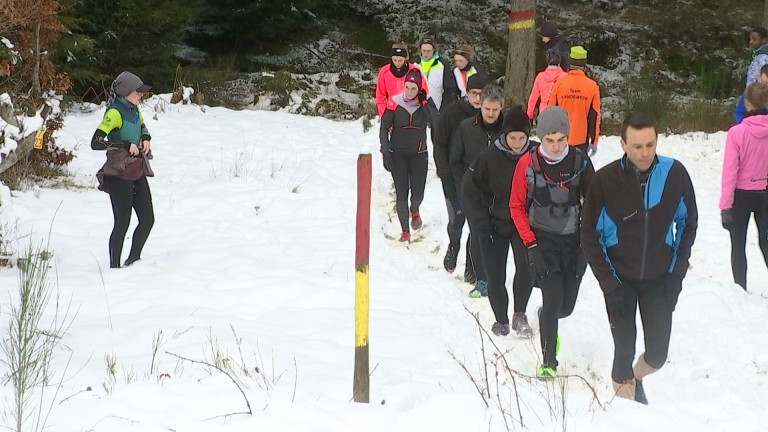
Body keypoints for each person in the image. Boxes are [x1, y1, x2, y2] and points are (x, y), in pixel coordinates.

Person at [581, 112, 698, 404]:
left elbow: (688, 223)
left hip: (660, 280)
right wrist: (610, 284)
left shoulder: (675, 174)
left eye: (650, 144)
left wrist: (676, 274)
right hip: (619, 281)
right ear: (623, 144)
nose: (645, 153)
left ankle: (638, 377)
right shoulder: (604, 181)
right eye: (637, 146)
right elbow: (589, 237)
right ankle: (626, 414)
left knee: (658, 354)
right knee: (624, 349)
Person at [509, 106, 594, 377]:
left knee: (564, 308)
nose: (555, 147)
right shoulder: (527, 163)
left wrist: (586, 247)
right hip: (542, 241)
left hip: (573, 240)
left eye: (561, 140)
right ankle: (548, 361)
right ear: (540, 137)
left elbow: (594, 206)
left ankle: (548, 316)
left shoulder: (581, 162)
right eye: (549, 140)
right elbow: (516, 205)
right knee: (553, 293)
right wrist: (530, 246)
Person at [462, 106, 536, 336]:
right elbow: (470, 191)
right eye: (512, 137)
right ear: (504, 135)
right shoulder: (488, 157)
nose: (516, 143)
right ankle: (501, 319)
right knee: (495, 275)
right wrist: (480, 224)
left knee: (526, 269)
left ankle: (520, 314)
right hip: (494, 223)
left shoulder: (536, 155)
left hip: (523, 224)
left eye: (521, 138)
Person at [91, 71, 155, 269]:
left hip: (136, 170)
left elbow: (142, 126)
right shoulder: (114, 112)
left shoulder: (134, 109)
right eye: (138, 92)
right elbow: (96, 142)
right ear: (126, 92)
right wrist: (124, 145)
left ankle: (133, 261)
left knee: (147, 219)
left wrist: (146, 138)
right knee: (122, 223)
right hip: (118, 175)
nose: (141, 96)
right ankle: (114, 267)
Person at [450, 83, 505, 295]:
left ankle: (494, 278)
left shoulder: (508, 128)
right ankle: (480, 278)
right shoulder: (465, 127)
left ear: (501, 107)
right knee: (478, 233)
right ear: (479, 105)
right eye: (487, 109)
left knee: (497, 236)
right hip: (473, 192)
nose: (491, 114)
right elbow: (455, 160)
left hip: (500, 193)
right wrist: (462, 186)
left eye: (495, 109)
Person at [433, 73, 488, 276]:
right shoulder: (452, 113)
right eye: (473, 93)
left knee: (476, 224)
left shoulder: (489, 115)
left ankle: (471, 266)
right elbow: (439, 143)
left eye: (481, 94)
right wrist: (443, 171)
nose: (477, 99)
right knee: (457, 219)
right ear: (467, 93)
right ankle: (453, 246)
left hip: (479, 180)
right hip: (453, 176)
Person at [380, 69, 439, 242]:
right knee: (401, 193)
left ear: (419, 88)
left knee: (417, 195)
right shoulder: (395, 103)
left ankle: (415, 209)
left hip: (419, 155)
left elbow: (437, 123)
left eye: (414, 88)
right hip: (397, 154)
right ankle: (405, 231)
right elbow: (384, 128)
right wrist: (385, 151)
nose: (409, 92)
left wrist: (426, 103)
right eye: (407, 87)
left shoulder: (425, 104)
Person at [721, 82, 768, 290]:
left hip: (741, 194)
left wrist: (725, 205)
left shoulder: (736, 133)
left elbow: (730, 172)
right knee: (766, 242)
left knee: (738, 245)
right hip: (765, 193)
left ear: (746, 103)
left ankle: (740, 288)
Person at [548, 46, 600, 156]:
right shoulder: (592, 86)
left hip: (559, 138)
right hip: (581, 140)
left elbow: (550, 111)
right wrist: (594, 141)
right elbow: (594, 116)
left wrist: (548, 136)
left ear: (570, 62)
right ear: (584, 64)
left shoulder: (559, 83)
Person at [375, 42, 425, 117]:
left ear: (405, 58)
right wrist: (384, 115)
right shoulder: (384, 71)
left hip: (411, 113)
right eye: (395, 60)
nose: (397, 63)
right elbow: (380, 96)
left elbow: (424, 93)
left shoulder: (415, 70)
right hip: (391, 113)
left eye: (400, 60)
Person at [527, 50, 567, 121]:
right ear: (559, 62)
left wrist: (530, 115)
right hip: (560, 112)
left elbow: (533, 97)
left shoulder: (540, 76)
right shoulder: (564, 76)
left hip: (544, 112)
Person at [442, 44, 485, 109]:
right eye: (456, 61)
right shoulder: (455, 71)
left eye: (461, 61)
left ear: (467, 59)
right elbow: (453, 89)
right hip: (462, 104)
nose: (458, 63)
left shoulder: (477, 70)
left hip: (477, 102)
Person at [413, 35, 446, 111]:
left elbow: (448, 89)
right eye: (423, 51)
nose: (426, 54)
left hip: (437, 108)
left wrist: (443, 109)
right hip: (418, 108)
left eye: (429, 51)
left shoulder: (442, 64)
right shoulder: (415, 64)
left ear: (433, 50)